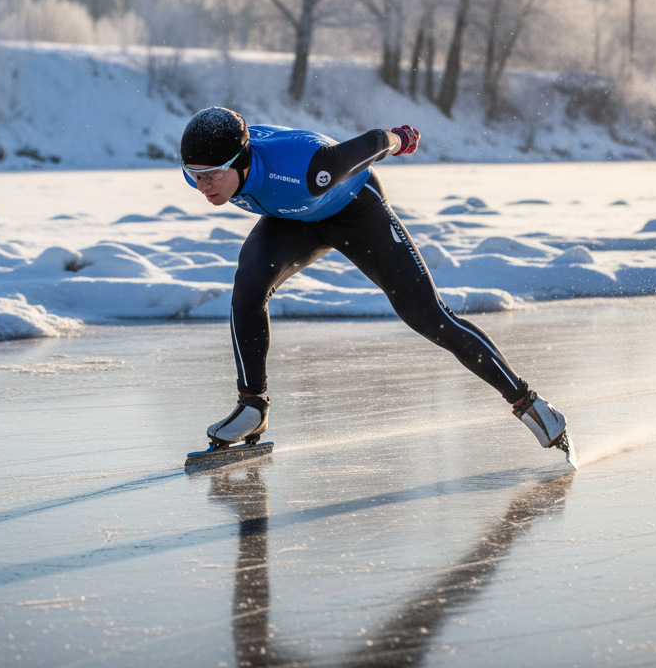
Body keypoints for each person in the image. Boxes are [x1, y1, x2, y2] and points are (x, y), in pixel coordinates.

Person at [180, 107, 569, 457]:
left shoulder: (309, 166)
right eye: (194, 176)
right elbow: (212, 172)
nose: (203, 186)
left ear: (243, 162)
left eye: (212, 175)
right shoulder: (209, 169)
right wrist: (208, 173)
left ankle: (529, 403)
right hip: (293, 218)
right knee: (247, 286)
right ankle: (252, 406)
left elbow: (373, 143)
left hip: (355, 211)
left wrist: (402, 138)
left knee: (429, 317)